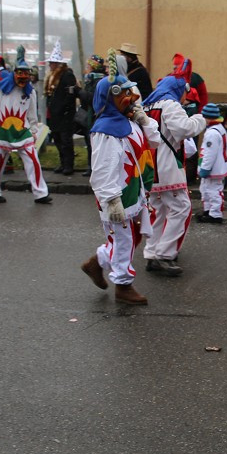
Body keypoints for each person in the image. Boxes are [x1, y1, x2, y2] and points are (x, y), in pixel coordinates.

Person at [81, 54, 161, 305]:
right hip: (117, 195)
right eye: (124, 95)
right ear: (111, 99)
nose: (133, 99)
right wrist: (111, 200)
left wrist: (144, 121)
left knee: (131, 237)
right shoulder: (106, 131)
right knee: (125, 239)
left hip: (133, 191)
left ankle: (97, 262)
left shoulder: (130, 122)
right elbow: (103, 169)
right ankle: (123, 286)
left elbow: (155, 143)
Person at [139, 58, 206, 275]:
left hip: (150, 166)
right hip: (166, 166)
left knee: (158, 210)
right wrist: (200, 119)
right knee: (181, 208)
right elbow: (184, 128)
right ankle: (165, 254)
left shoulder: (148, 105)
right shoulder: (170, 104)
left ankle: (151, 253)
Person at [0, 46, 52, 205]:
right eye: (20, 73)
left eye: (26, 74)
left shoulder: (30, 92)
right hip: (2, 131)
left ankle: (40, 193)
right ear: (14, 73)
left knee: (33, 159)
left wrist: (33, 130)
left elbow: (32, 114)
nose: (23, 76)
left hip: (22, 131)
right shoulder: (1, 88)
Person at [44, 41, 79, 176]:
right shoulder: (52, 77)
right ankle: (62, 163)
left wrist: (64, 109)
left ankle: (68, 165)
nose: (50, 65)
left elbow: (70, 95)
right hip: (55, 115)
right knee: (57, 139)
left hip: (65, 115)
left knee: (66, 141)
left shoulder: (67, 75)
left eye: (52, 62)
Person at [196, 103, 227, 224]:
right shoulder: (219, 129)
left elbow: (210, 153)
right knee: (206, 189)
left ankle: (215, 214)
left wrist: (205, 168)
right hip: (216, 168)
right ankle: (208, 211)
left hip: (213, 169)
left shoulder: (212, 133)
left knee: (213, 191)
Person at [77, 54, 107, 177]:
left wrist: (79, 91)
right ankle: (91, 166)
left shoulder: (98, 80)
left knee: (93, 144)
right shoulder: (91, 79)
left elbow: (92, 98)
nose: (87, 67)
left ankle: (94, 167)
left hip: (95, 116)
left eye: (89, 65)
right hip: (90, 116)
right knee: (89, 142)